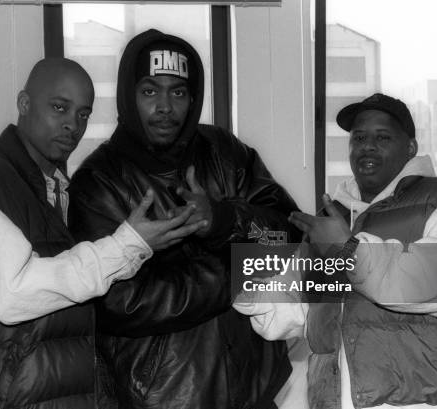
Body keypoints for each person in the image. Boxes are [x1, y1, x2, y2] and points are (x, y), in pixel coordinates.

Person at [0, 58, 205, 409]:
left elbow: (70, 320)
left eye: (83, 114)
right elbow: (12, 296)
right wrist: (128, 246)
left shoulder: (59, 192)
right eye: (60, 108)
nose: (72, 125)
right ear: (24, 103)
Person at [68, 30, 301, 409]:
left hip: (254, 390)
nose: (165, 107)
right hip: (163, 396)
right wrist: (234, 275)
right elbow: (115, 303)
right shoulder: (99, 182)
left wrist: (224, 220)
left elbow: (288, 237)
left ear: (193, 98)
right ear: (129, 95)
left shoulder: (224, 152)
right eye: (149, 91)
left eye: (177, 92)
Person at [235, 93, 437, 409]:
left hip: (427, 400)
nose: (367, 146)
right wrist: (242, 275)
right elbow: (294, 310)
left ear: (410, 147)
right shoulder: (331, 219)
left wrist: (346, 249)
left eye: (382, 137)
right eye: (359, 138)